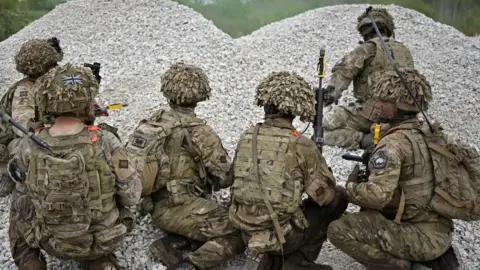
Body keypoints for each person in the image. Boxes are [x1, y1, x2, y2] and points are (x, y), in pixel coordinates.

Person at [7, 63, 142, 270]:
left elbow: (17, 177)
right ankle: (98, 261)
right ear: (89, 103)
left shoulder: (30, 144)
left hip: (53, 243)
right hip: (105, 239)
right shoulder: (106, 140)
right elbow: (132, 195)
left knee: (19, 198)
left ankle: (30, 262)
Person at [327, 69, 459, 270]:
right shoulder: (430, 133)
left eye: (384, 101)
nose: (377, 105)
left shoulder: (393, 144)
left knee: (338, 230)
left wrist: (352, 185)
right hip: (440, 231)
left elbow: (376, 197)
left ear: (399, 106)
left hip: (418, 236)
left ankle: (406, 267)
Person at [125, 62, 244, 270]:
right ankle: (190, 265)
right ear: (200, 94)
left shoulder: (153, 123)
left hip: (154, 206)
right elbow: (225, 178)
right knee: (240, 232)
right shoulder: (200, 131)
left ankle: (171, 243)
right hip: (181, 207)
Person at [228, 71, 349, 270]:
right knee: (339, 196)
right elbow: (325, 196)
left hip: (245, 230)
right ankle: (297, 261)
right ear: (295, 110)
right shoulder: (301, 144)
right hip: (281, 236)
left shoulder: (247, 136)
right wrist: (322, 168)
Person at [322, 7, 415, 150]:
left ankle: (365, 140)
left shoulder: (368, 48)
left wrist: (328, 96)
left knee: (324, 127)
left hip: (375, 112)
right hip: (405, 113)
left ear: (364, 32)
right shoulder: (404, 51)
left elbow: (344, 72)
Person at [0, 37, 63, 197]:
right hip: (10, 144)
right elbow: (22, 128)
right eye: (52, 65)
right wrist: (50, 122)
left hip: (33, 135)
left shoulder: (44, 84)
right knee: (30, 144)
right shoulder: (25, 90)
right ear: (42, 67)